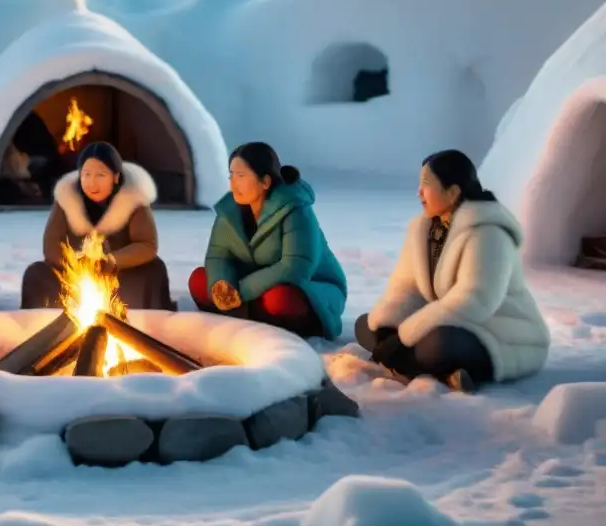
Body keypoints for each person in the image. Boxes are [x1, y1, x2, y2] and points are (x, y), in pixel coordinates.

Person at [356, 150, 550, 392]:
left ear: (453, 191)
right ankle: (443, 371)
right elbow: (406, 287)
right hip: (445, 323)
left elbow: (474, 300)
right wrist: (389, 328)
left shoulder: (488, 233)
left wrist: (405, 337)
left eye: (426, 185)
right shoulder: (423, 229)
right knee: (368, 326)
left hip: (498, 334)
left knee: (438, 345)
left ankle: (416, 364)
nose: (419, 193)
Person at [189, 142, 347, 340]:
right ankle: (246, 316)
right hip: (252, 285)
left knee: (280, 299)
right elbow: (218, 254)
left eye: (241, 176)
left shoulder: (295, 210)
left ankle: (262, 321)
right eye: (231, 175)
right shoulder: (229, 211)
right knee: (201, 280)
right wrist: (222, 284)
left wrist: (241, 291)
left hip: (306, 286)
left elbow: (295, 267)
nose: (233, 184)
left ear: (265, 181)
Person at [20, 141, 175, 310]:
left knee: (154, 270)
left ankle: (141, 323)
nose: (92, 183)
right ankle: (46, 324)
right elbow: (51, 244)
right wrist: (77, 263)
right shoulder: (67, 199)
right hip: (75, 277)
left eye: (100, 175)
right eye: (86, 175)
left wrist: (111, 261)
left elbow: (147, 245)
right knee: (36, 273)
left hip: (121, 276)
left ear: (115, 177)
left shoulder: (133, 200)